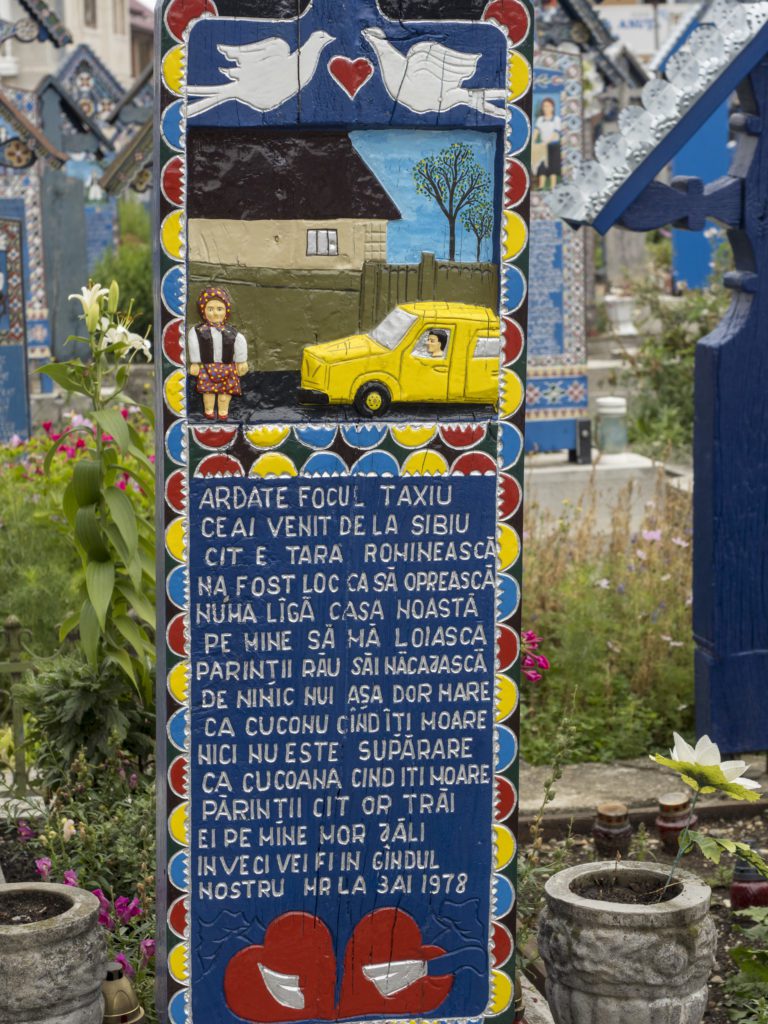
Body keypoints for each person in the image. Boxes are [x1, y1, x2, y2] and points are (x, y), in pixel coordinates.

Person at [188, 286, 248, 420]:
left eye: (219, 309)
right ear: (203, 311)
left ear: (226, 311)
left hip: (227, 367)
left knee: (225, 393)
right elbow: (193, 345)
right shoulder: (198, 331)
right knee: (208, 392)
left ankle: (223, 412)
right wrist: (195, 363)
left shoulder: (231, 332)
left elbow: (240, 342)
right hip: (207, 367)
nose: (215, 313)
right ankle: (208, 411)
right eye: (210, 309)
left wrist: (241, 361)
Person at [532, 96, 561, 190]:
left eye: (548, 106)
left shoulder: (556, 119)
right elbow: (536, 132)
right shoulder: (540, 120)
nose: (546, 108)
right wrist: (532, 142)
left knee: (553, 167)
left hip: (553, 146)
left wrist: (547, 142)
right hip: (542, 147)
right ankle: (541, 186)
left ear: (552, 107)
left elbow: (556, 134)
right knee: (541, 167)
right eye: (544, 106)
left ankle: (553, 187)